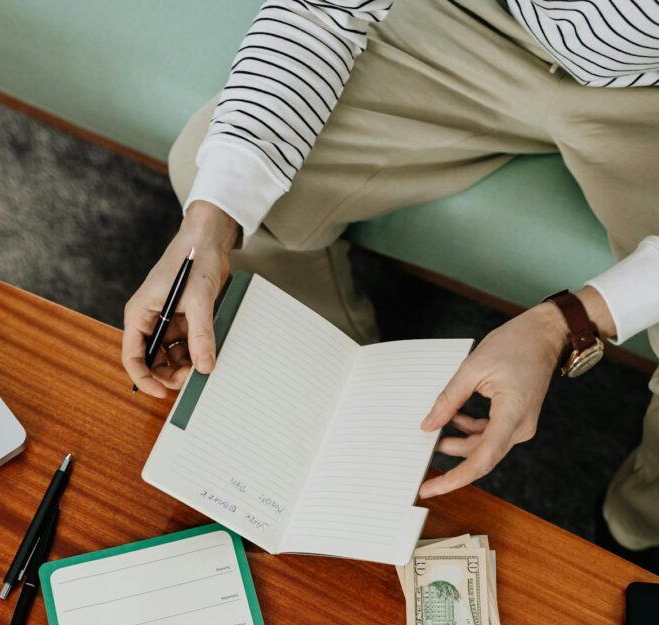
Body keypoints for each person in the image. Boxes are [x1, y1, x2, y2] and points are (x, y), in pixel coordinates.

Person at [122, 0, 659, 570]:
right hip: (476, 21)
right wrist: (208, 225)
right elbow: (321, 10)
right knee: (214, 172)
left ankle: (638, 525)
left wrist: (566, 323)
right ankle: (332, 412)